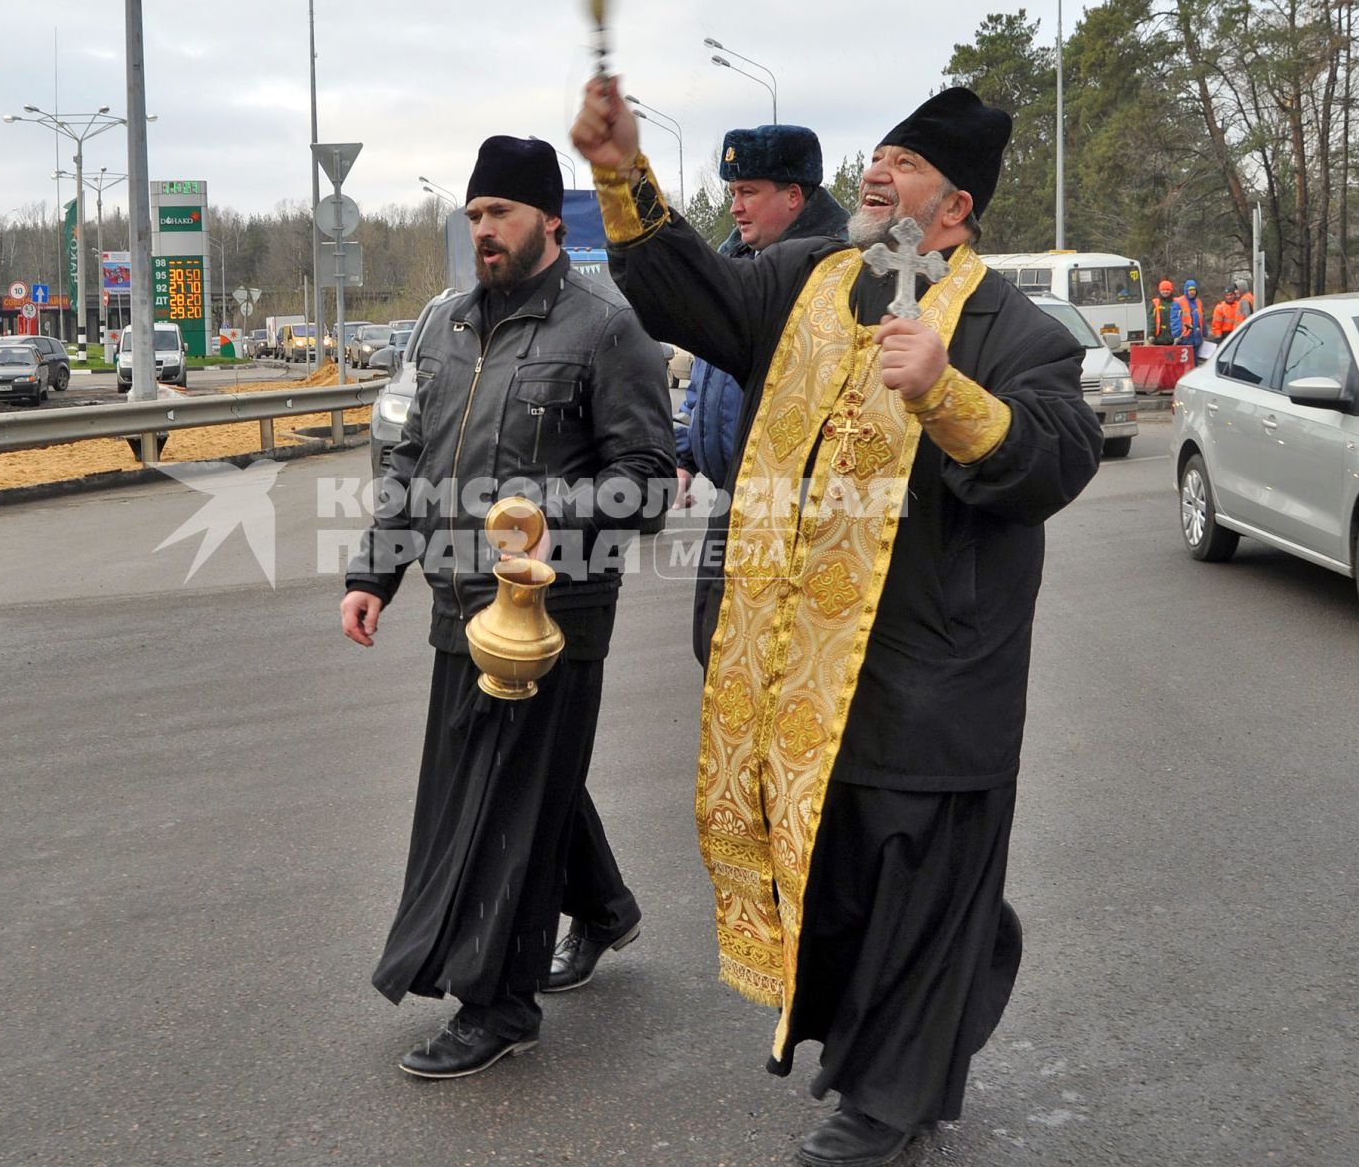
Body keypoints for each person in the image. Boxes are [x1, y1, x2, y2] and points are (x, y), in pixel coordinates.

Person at [572, 80, 1101, 1166]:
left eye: (904, 167)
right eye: (880, 157)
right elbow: (692, 295)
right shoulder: (809, 282)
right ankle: (942, 995)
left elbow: (1056, 458)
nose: (877, 174)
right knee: (850, 886)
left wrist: (950, 391)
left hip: (938, 677)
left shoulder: (1015, 328)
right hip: (806, 678)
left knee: (920, 886)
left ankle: (887, 1101)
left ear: (954, 211)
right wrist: (625, 176)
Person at [341, 136, 673, 1079]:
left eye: (501, 215)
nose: (482, 231)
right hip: (458, 605)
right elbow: (408, 461)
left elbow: (648, 483)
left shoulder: (606, 329)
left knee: (498, 806)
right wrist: (374, 574)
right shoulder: (443, 325)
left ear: (546, 223)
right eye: (474, 215)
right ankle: (603, 909)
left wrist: (535, 517)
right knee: (516, 783)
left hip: (554, 617)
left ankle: (499, 1005)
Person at [676, 124, 849, 665]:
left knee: (778, 664)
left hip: (795, 515)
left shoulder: (836, 275)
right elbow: (707, 380)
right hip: (731, 503)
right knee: (718, 646)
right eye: (732, 192)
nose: (735, 207)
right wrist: (684, 454)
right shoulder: (737, 267)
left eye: (749, 192)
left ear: (795, 196)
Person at [1172, 279, 1206, 359]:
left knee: (1195, 363)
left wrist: (1204, 332)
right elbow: (1175, 320)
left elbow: (1202, 319)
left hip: (1197, 339)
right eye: (1190, 290)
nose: (1192, 292)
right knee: (1185, 365)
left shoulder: (1199, 302)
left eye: (1194, 289)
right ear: (1186, 290)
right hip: (1184, 339)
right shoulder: (1178, 302)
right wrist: (1177, 335)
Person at [1149, 278, 1176, 345]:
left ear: (1171, 290)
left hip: (1173, 339)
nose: (1165, 292)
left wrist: (1178, 335)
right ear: (1160, 291)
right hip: (1158, 338)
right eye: (1163, 290)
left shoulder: (1176, 302)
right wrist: (1150, 335)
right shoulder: (1155, 303)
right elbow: (1151, 320)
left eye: (1167, 290)